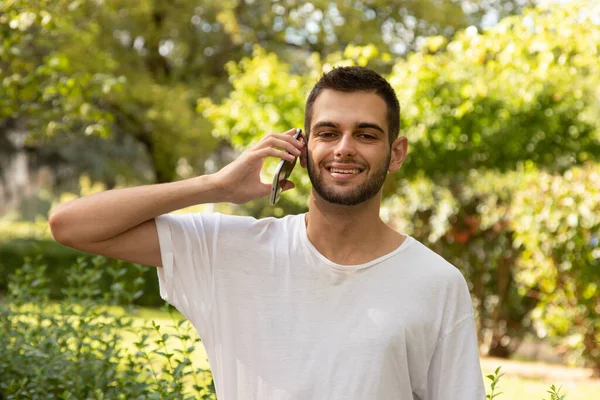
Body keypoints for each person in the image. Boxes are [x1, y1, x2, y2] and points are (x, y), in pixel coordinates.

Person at [49, 66, 485, 399]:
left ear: (396, 152)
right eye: (327, 132)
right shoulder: (228, 251)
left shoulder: (436, 284)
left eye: (366, 134)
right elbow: (71, 225)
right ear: (301, 147)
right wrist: (215, 186)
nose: (344, 148)